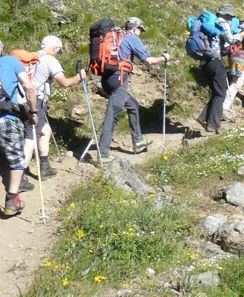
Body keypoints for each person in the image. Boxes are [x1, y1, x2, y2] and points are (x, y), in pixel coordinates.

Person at [19, 36, 85, 192]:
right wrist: (80, 77)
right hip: (36, 102)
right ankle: (19, 176)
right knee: (30, 138)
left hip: (22, 101)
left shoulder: (31, 57)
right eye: (58, 51)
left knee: (45, 130)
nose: (57, 54)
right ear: (54, 48)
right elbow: (64, 83)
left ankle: (44, 166)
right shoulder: (49, 60)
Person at [98, 18, 169, 161]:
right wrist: (164, 58)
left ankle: (138, 140)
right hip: (119, 79)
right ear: (135, 28)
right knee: (112, 116)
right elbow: (149, 60)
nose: (140, 32)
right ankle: (103, 154)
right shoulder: (131, 38)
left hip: (107, 79)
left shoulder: (118, 37)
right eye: (140, 29)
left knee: (133, 105)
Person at [198, 5, 244, 133]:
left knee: (217, 91)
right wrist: (242, 34)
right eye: (230, 16)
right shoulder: (223, 23)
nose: (231, 19)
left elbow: (219, 44)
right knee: (221, 92)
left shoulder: (211, 23)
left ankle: (204, 118)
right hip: (216, 60)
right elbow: (231, 40)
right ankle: (213, 125)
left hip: (205, 61)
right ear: (226, 14)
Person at [0, 39, 38, 216]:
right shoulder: (12, 62)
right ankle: (12, 199)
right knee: (16, 158)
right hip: (7, 119)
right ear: (1, 48)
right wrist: (33, 112)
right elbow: (29, 88)